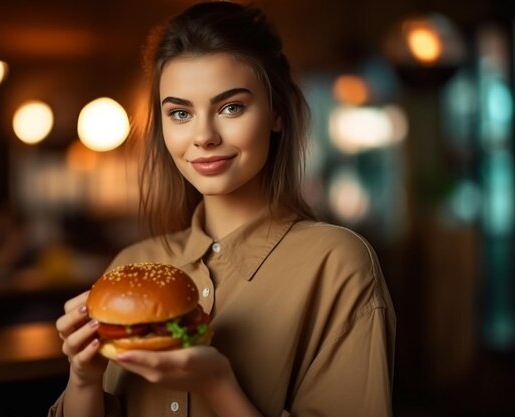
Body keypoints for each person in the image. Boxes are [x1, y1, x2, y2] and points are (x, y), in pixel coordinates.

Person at [50, 2, 396, 416]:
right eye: (180, 113)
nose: (204, 136)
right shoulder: (133, 263)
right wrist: (84, 378)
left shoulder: (337, 264)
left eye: (231, 107)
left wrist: (217, 384)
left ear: (277, 113)